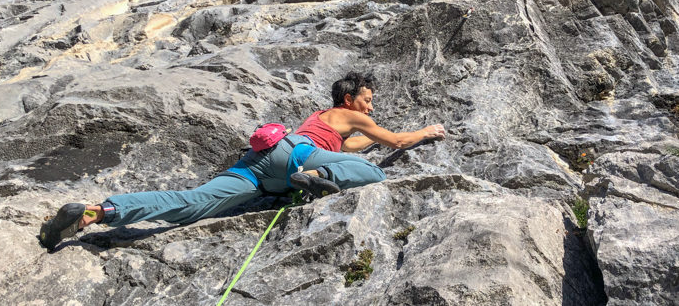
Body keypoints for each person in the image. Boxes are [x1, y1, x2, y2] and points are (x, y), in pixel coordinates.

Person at [39, 72, 446, 250]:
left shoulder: (323, 120)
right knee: (373, 173)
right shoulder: (350, 114)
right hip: (299, 157)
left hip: (258, 166)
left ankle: (98, 212)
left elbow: (350, 149)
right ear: (349, 99)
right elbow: (394, 141)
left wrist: (352, 148)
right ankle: (316, 177)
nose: (370, 108)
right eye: (367, 100)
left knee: (191, 204)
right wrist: (425, 132)